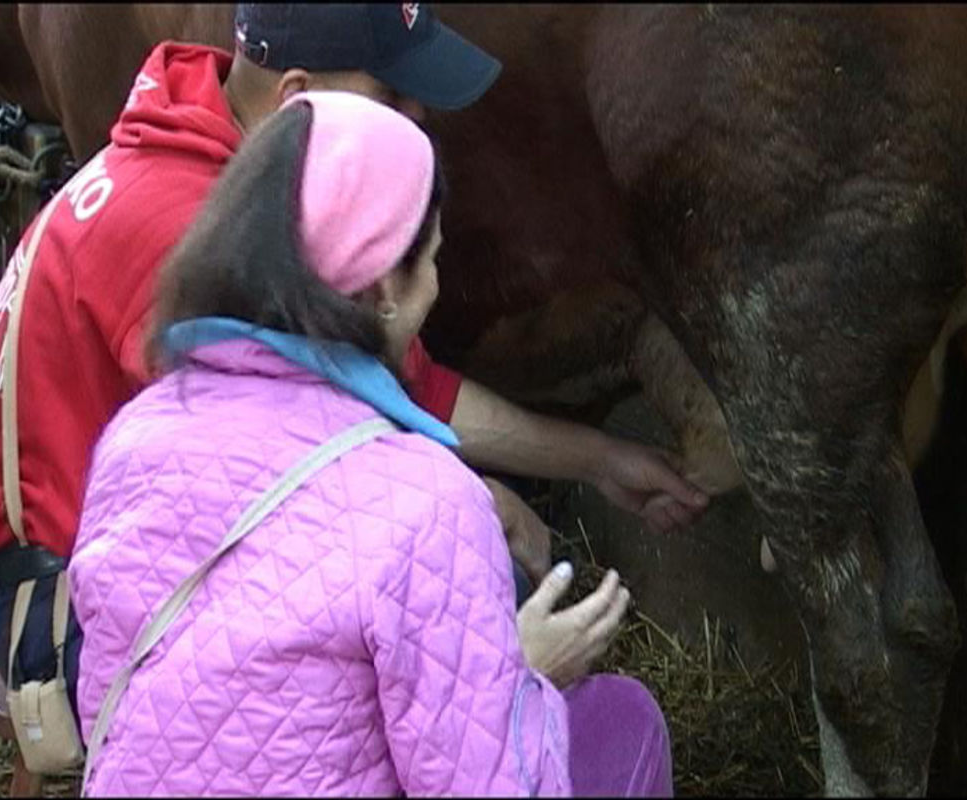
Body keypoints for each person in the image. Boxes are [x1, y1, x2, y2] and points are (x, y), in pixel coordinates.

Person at [0, 3, 706, 736]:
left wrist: (601, 461)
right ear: (297, 96)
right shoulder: (184, 237)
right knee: (459, 584)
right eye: (391, 94)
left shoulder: (230, 154)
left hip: (144, 542)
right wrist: (469, 508)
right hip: (64, 611)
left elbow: (406, 386)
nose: (416, 117)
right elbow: (269, 499)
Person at [70, 88, 673, 797]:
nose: (437, 284)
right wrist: (523, 677)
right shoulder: (429, 503)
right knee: (621, 719)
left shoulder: (132, 439)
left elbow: (110, 714)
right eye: (434, 259)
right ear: (386, 283)